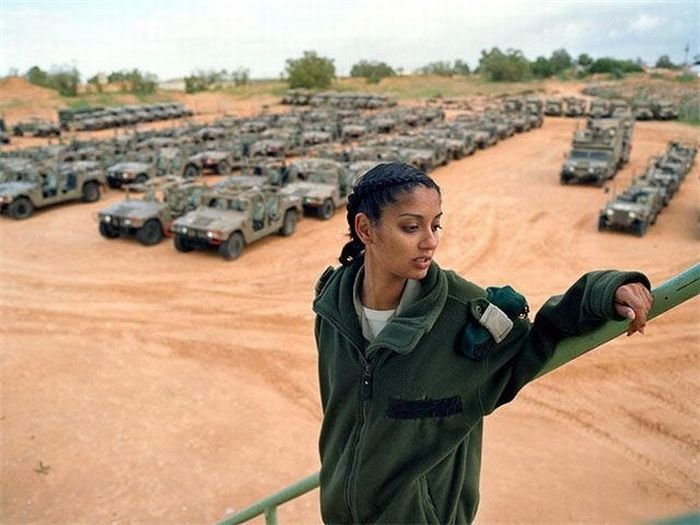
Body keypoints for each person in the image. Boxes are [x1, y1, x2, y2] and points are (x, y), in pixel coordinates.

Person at [312, 162, 653, 525]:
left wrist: (603, 293)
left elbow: (542, 338)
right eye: (412, 227)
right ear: (366, 229)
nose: (430, 241)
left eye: (435, 224)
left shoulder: (465, 316)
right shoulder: (332, 308)